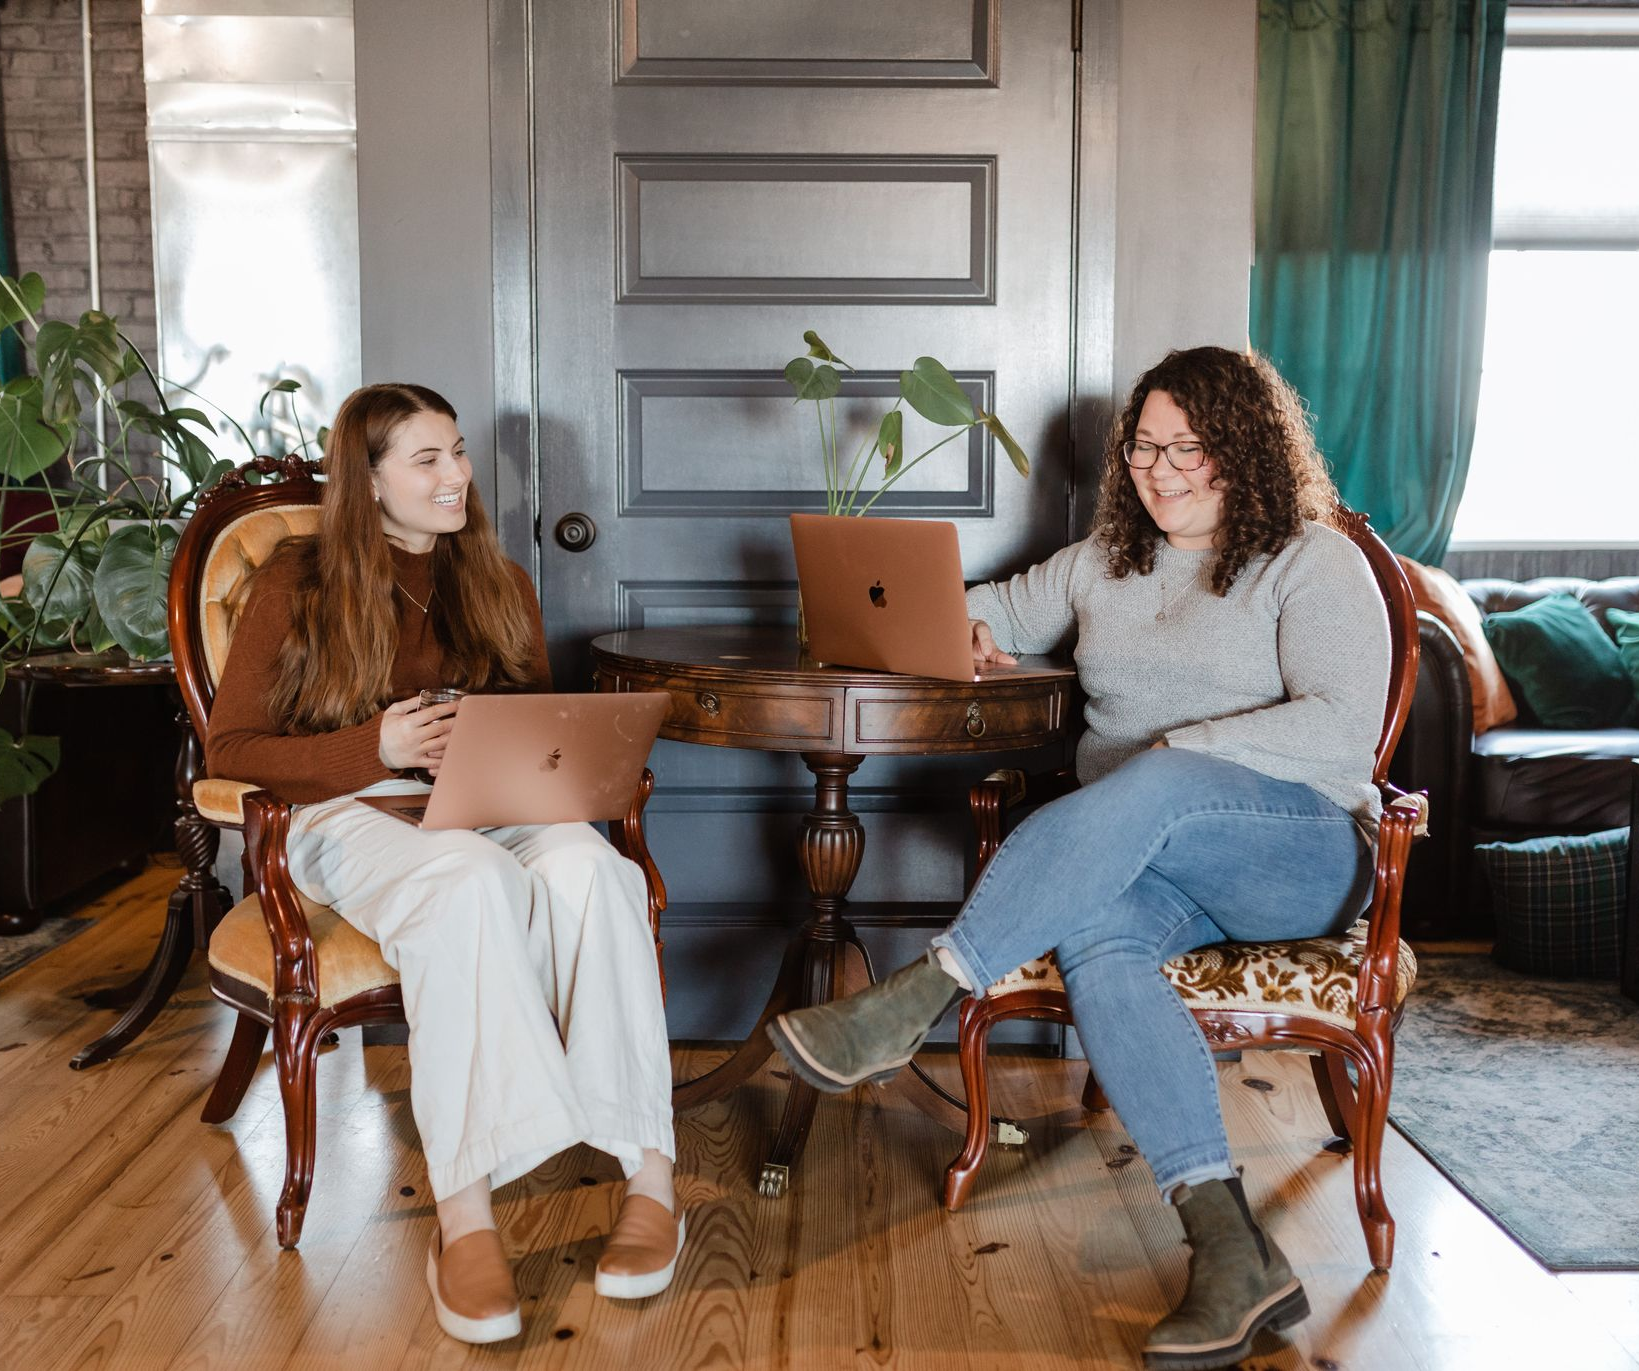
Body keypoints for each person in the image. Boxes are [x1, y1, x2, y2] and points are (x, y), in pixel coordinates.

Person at [767, 347, 1389, 1371]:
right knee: (1100, 934)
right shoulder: (1105, 558)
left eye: (1189, 446)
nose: (1161, 468)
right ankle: (1230, 1250)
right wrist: (959, 628)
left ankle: (922, 991)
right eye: (1143, 445)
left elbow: (1339, 733)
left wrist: (1174, 750)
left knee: (1148, 777)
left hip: (1296, 852)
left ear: (1246, 450)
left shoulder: (1310, 561)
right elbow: (986, 613)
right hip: (1150, 860)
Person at [206, 383, 683, 1344]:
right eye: (427, 459)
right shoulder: (297, 581)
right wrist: (369, 748)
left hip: (485, 803)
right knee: (469, 884)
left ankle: (650, 1175)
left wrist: (546, 761)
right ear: (367, 479)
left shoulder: (494, 578)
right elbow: (232, 751)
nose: (458, 475)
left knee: (598, 873)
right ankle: (464, 1217)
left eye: (458, 451)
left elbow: (536, 724)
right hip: (346, 812)